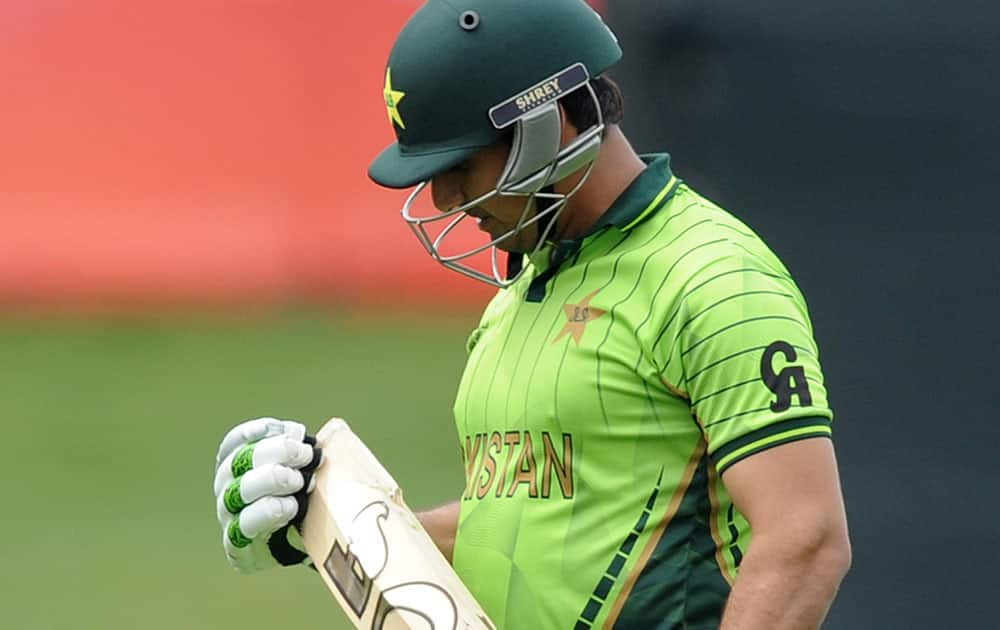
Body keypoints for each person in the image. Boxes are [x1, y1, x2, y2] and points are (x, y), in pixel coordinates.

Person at [212, 1, 851, 628]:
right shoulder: (518, 294)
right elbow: (517, 532)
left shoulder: (713, 274)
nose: (445, 198)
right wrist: (323, 516)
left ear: (547, 124)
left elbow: (806, 539)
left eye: (460, 164)